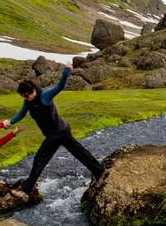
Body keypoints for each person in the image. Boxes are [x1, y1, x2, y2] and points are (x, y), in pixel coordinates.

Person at [9, 64, 104, 194]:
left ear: (33, 90)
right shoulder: (28, 102)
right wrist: (9, 122)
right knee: (79, 152)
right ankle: (99, 170)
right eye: (23, 96)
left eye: (27, 95)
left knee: (40, 159)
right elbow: (20, 114)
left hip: (59, 133)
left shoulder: (45, 96)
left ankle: (27, 187)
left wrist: (66, 71)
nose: (26, 98)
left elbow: (60, 86)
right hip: (57, 133)